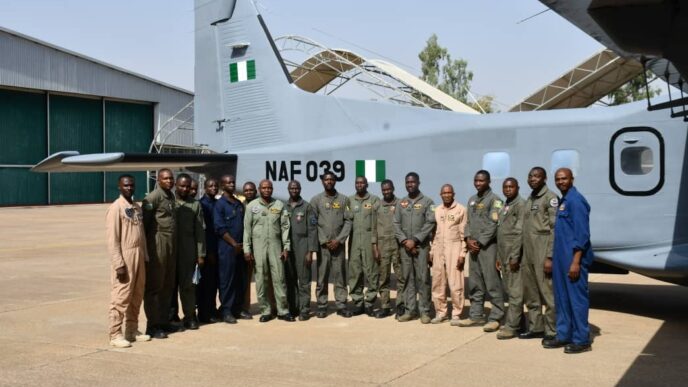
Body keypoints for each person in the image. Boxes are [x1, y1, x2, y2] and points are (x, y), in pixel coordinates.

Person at [549, 168, 594, 353]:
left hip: (573, 259)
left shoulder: (576, 201)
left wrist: (576, 261)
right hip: (561, 259)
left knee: (576, 299)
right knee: (562, 298)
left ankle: (581, 339)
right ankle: (564, 334)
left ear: (572, 179)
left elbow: (582, 235)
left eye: (564, 178)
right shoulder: (563, 201)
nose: (561, 182)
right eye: (558, 179)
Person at [105, 174, 150, 348]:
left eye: (131, 185)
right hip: (125, 256)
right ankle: (115, 334)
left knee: (137, 294)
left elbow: (142, 236)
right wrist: (119, 264)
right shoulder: (116, 208)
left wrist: (145, 257)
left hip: (139, 255)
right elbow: (112, 239)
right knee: (121, 296)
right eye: (126, 185)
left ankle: (132, 330)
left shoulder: (136, 208)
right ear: (119, 187)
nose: (129, 188)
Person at [459, 170, 504, 332]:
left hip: (488, 248)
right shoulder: (472, 200)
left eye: (481, 181)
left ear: (489, 181)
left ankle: (496, 317)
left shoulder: (495, 200)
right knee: (475, 283)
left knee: (492, 283)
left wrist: (479, 241)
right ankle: (476, 315)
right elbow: (468, 222)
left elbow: (494, 224)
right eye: (476, 180)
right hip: (474, 248)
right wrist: (468, 238)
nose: (478, 183)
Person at [243, 180, 294, 322]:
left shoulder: (279, 205)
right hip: (258, 248)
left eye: (269, 188)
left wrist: (286, 247)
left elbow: (285, 227)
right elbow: (247, 229)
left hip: (275, 246)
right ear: (259, 189)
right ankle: (265, 310)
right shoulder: (252, 206)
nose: (267, 190)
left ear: (272, 189)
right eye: (264, 188)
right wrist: (247, 249)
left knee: (279, 279)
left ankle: (283, 310)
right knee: (261, 280)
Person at [520, 167, 559, 345]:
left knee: (547, 291)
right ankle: (536, 327)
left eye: (537, 176)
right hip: (528, 249)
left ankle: (552, 330)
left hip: (542, 247)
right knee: (531, 291)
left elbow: (554, 228)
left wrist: (550, 256)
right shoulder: (530, 198)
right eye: (530, 176)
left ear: (544, 178)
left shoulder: (549, 198)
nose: (533, 179)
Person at [393, 172, 436, 324]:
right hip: (405, 248)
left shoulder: (428, 202)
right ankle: (410, 310)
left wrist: (416, 240)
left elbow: (430, 223)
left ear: (418, 183)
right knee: (407, 279)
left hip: (421, 248)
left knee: (423, 279)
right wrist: (405, 241)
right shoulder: (401, 203)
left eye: (412, 182)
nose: (410, 185)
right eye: (407, 182)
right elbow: (396, 224)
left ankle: (425, 311)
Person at [310, 172, 353, 318]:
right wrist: (323, 240)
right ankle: (322, 305)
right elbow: (313, 223)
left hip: (338, 246)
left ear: (335, 181)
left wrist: (339, 240)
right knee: (322, 276)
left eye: (331, 179)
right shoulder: (316, 200)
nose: (329, 181)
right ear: (322, 181)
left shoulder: (344, 200)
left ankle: (341, 304)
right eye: (326, 179)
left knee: (340, 275)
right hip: (323, 246)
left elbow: (348, 221)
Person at [142, 169, 177, 339]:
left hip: (170, 244)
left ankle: (164, 321)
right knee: (155, 287)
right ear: (159, 180)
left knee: (168, 285)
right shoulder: (153, 198)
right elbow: (146, 225)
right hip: (158, 243)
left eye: (171, 178)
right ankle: (152, 325)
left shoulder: (171, 196)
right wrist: (149, 249)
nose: (169, 181)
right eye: (166, 178)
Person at [430, 184, 467, 325]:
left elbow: (464, 235)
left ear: (453, 194)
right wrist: (432, 251)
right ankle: (441, 312)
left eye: (449, 192)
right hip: (439, 248)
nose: (446, 195)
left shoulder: (461, 210)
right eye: (444, 193)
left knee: (455, 283)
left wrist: (462, 254)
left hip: (454, 247)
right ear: (440, 194)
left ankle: (456, 314)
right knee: (438, 282)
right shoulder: (437, 210)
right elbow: (435, 234)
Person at [495, 178, 525, 339]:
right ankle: (520, 322)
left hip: (514, 256)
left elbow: (519, 232)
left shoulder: (520, 205)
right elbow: (502, 232)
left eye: (511, 186)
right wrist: (500, 257)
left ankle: (512, 326)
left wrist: (515, 257)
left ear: (517, 187)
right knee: (509, 289)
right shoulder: (506, 205)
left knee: (515, 293)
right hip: (504, 254)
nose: (508, 189)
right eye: (505, 187)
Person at [174, 174, 205, 330]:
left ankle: (190, 316)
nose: (185, 189)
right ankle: (171, 317)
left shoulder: (195, 205)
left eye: (187, 186)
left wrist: (200, 254)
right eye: (182, 186)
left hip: (188, 250)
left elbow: (200, 231)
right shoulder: (168, 203)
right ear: (176, 186)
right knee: (170, 287)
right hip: (170, 250)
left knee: (188, 286)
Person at [284, 180, 318, 321]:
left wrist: (310, 251)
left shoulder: (307, 207)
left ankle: (304, 309)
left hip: (302, 246)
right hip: (287, 247)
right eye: (292, 188)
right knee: (290, 280)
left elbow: (312, 230)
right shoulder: (283, 206)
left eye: (297, 188)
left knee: (304, 280)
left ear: (300, 189)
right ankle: (293, 308)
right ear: (288, 189)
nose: (294, 190)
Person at [213, 175, 245, 324]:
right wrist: (234, 244)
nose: (232, 184)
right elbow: (220, 228)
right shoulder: (220, 205)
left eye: (233, 182)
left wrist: (242, 245)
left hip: (240, 248)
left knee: (240, 279)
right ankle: (226, 310)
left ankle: (237, 308)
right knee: (227, 280)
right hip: (227, 249)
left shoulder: (238, 203)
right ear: (222, 185)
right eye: (228, 182)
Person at [348, 176, 381, 316]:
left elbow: (377, 222)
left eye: (362, 182)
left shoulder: (374, 200)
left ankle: (369, 303)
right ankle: (358, 303)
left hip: (369, 241)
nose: (359, 185)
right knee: (355, 272)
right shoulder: (349, 200)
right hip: (354, 241)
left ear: (367, 184)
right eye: (357, 183)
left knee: (372, 272)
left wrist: (375, 243)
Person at [374, 179, 404, 319]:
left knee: (400, 277)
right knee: (383, 278)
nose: (386, 192)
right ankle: (385, 306)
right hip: (383, 246)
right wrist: (375, 246)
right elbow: (373, 228)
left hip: (397, 246)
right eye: (384, 190)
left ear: (393, 188)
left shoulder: (400, 204)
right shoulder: (377, 206)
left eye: (388, 189)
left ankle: (400, 305)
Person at [197, 178, 221, 323]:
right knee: (206, 284)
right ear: (205, 188)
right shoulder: (202, 204)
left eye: (215, 185)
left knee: (214, 283)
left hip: (218, 248)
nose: (213, 187)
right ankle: (204, 313)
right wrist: (209, 251)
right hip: (208, 249)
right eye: (210, 186)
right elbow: (204, 230)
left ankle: (212, 310)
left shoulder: (217, 203)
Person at [239, 181, 258, 319]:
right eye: (246, 190)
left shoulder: (261, 204)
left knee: (266, 279)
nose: (249, 192)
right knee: (245, 280)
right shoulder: (240, 206)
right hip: (247, 248)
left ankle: (271, 306)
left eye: (251, 190)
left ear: (256, 191)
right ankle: (245, 307)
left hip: (262, 246)